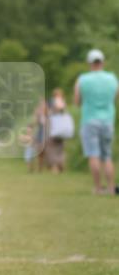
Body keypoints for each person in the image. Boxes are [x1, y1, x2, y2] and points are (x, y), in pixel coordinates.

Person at [74, 49, 118, 195]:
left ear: (89, 63)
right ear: (102, 62)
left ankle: (98, 188)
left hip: (89, 120)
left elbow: (77, 102)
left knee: (93, 155)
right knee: (107, 156)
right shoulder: (112, 78)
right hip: (108, 121)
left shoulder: (82, 79)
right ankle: (111, 188)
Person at [43, 88, 73, 174]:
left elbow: (46, 113)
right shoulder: (63, 102)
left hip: (54, 128)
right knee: (61, 148)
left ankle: (55, 167)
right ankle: (61, 165)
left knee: (52, 148)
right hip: (62, 129)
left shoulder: (51, 101)